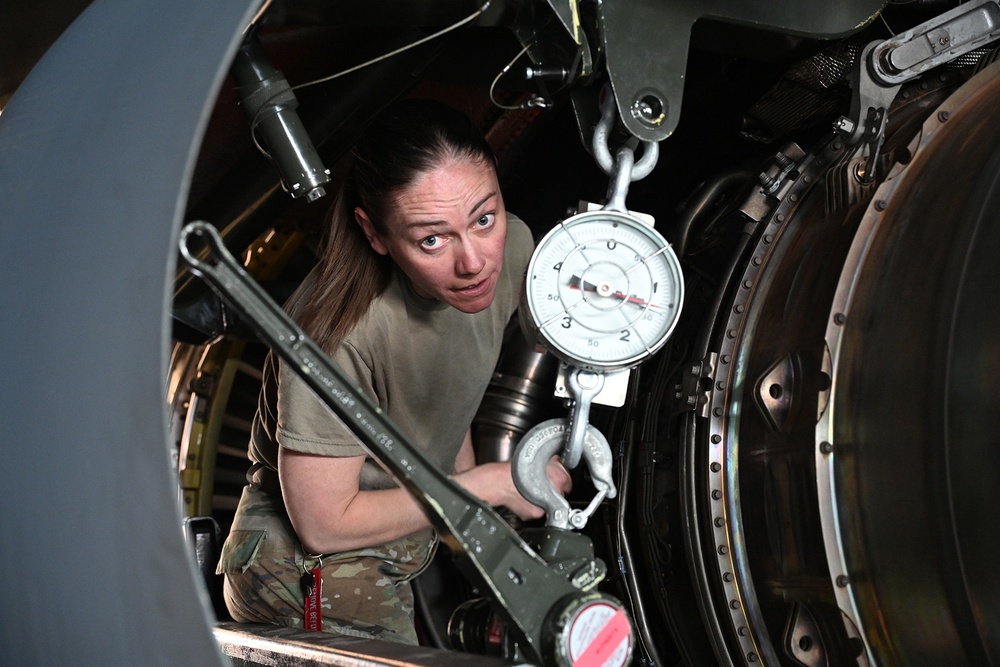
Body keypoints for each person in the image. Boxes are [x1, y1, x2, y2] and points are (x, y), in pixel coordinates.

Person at [217, 99, 570, 645]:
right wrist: (486, 488)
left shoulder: (516, 247)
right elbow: (324, 523)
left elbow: (444, 399)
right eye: (432, 239)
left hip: (406, 537)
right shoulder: (336, 334)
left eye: (484, 217)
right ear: (375, 233)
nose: (474, 262)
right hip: (308, 571)